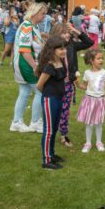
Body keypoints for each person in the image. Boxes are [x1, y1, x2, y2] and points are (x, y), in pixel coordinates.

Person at [50, 22, 94, 147]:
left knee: (65, 110)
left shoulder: (71, 45)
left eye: (68, 32)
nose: (68, 35)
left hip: (68, 83)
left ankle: (63, 135)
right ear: (57, 33)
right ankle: (51, 132)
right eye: (65, 32)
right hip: (55, 84)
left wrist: (77, 32)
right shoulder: (52, 47)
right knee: (55, 110)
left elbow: (89, 43)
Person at [10, 3, 47, 133]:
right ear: (35, 13)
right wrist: (35, 67)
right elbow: (25, 50)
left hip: (24, 63)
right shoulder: (26, 26)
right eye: (42, 13)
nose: (44, 16)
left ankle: (16, 122)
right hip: (25, 64)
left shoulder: (33, 26)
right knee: (40, 91)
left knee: (24, 92)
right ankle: (35, 122)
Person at [35, 36, 68, 170]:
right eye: (60, 49)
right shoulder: (49, 65)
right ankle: (46, 160)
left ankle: (52, 154)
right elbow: (39, 85)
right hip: (50, 99)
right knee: (48, 130)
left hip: (59, 99)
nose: (63, 51)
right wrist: (48, 96)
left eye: (64, 48)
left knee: (54, 129)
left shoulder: (60, 61)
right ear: (52, 50)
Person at [75, 49, 105, 153]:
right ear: (91, 60)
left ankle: (99, 142)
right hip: (89, 100)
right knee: (89, 123)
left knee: (98, 123)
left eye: (102, 58)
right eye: (98, 58)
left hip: (100, 101)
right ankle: (88, 143)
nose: (101, 60)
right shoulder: (87, 73)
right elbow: (85, 86)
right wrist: (78, 84)